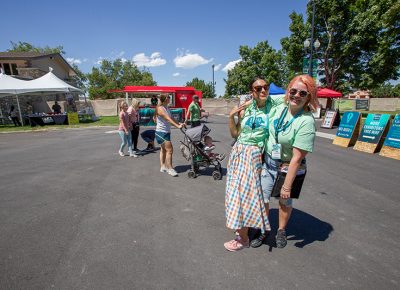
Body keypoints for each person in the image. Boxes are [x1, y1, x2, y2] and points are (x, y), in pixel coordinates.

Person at [253, 74, 318, 249]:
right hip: (269, 162)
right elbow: (259, 98)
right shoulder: (280, 105)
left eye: (302, 93)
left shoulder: (306, 122)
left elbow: (297, 158)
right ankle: (263, 229)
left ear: (309, 96)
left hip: (289, 167)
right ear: (288, 91)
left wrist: (287, 186)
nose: (296, 95)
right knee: (263, 198)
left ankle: (281, 230)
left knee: (284, 201)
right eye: (293, 90)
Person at [224, 77, 275, 252]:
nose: (262, 91)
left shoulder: (273, 107)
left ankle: (244, 237)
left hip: (254, 154)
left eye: (265, 87)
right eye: (258, 88)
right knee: (234, 194)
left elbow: (293, 101)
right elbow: (235, 134)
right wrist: (232, 116)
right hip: (238, 152)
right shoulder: (246, 107)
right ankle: (243, 233)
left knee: (246, 196)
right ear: (252, 91)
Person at [155, 94, 184, 177]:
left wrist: (179, 123)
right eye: (168, 97)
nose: (169, 99)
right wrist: (177, 126)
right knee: (169, 150)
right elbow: (168, 119)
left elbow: (172, 118)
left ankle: (163, 166)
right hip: (161, 132)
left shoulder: (167, 108)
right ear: (164, 99)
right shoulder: (160, 108)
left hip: (166, 132)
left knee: (163, 150)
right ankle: (170, 169)